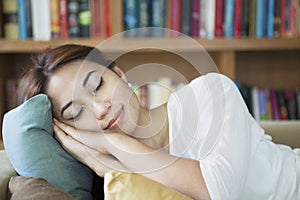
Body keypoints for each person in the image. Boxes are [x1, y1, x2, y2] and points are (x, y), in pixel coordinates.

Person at [17, 44, 300, 200]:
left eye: (98, 84)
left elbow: (217, 192)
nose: (100, 108)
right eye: (77, 113)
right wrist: (107, 165)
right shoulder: (118, 183)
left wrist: (111, 143)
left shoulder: (209, 93)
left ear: (119, 74)